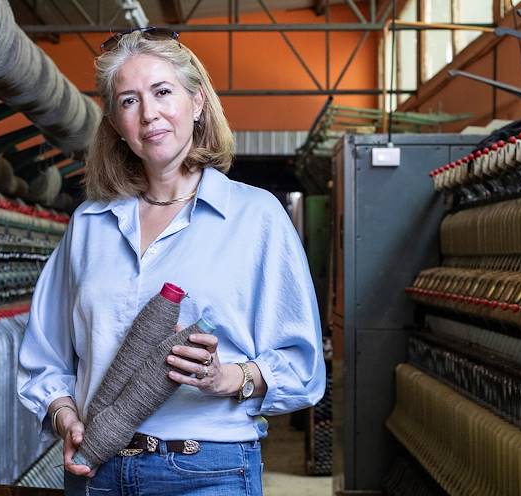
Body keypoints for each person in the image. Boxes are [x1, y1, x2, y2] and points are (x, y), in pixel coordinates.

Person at [18, 27, 326, 496]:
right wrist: (65, 417)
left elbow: (301, 366)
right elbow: (46, 356)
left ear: (197, 103)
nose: (149, 114)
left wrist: (229, 378)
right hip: (97, 469)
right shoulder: (90, 224)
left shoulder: (255, 216)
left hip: (208, 470)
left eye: (163, 92)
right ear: (116, 125)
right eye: (128, 100)